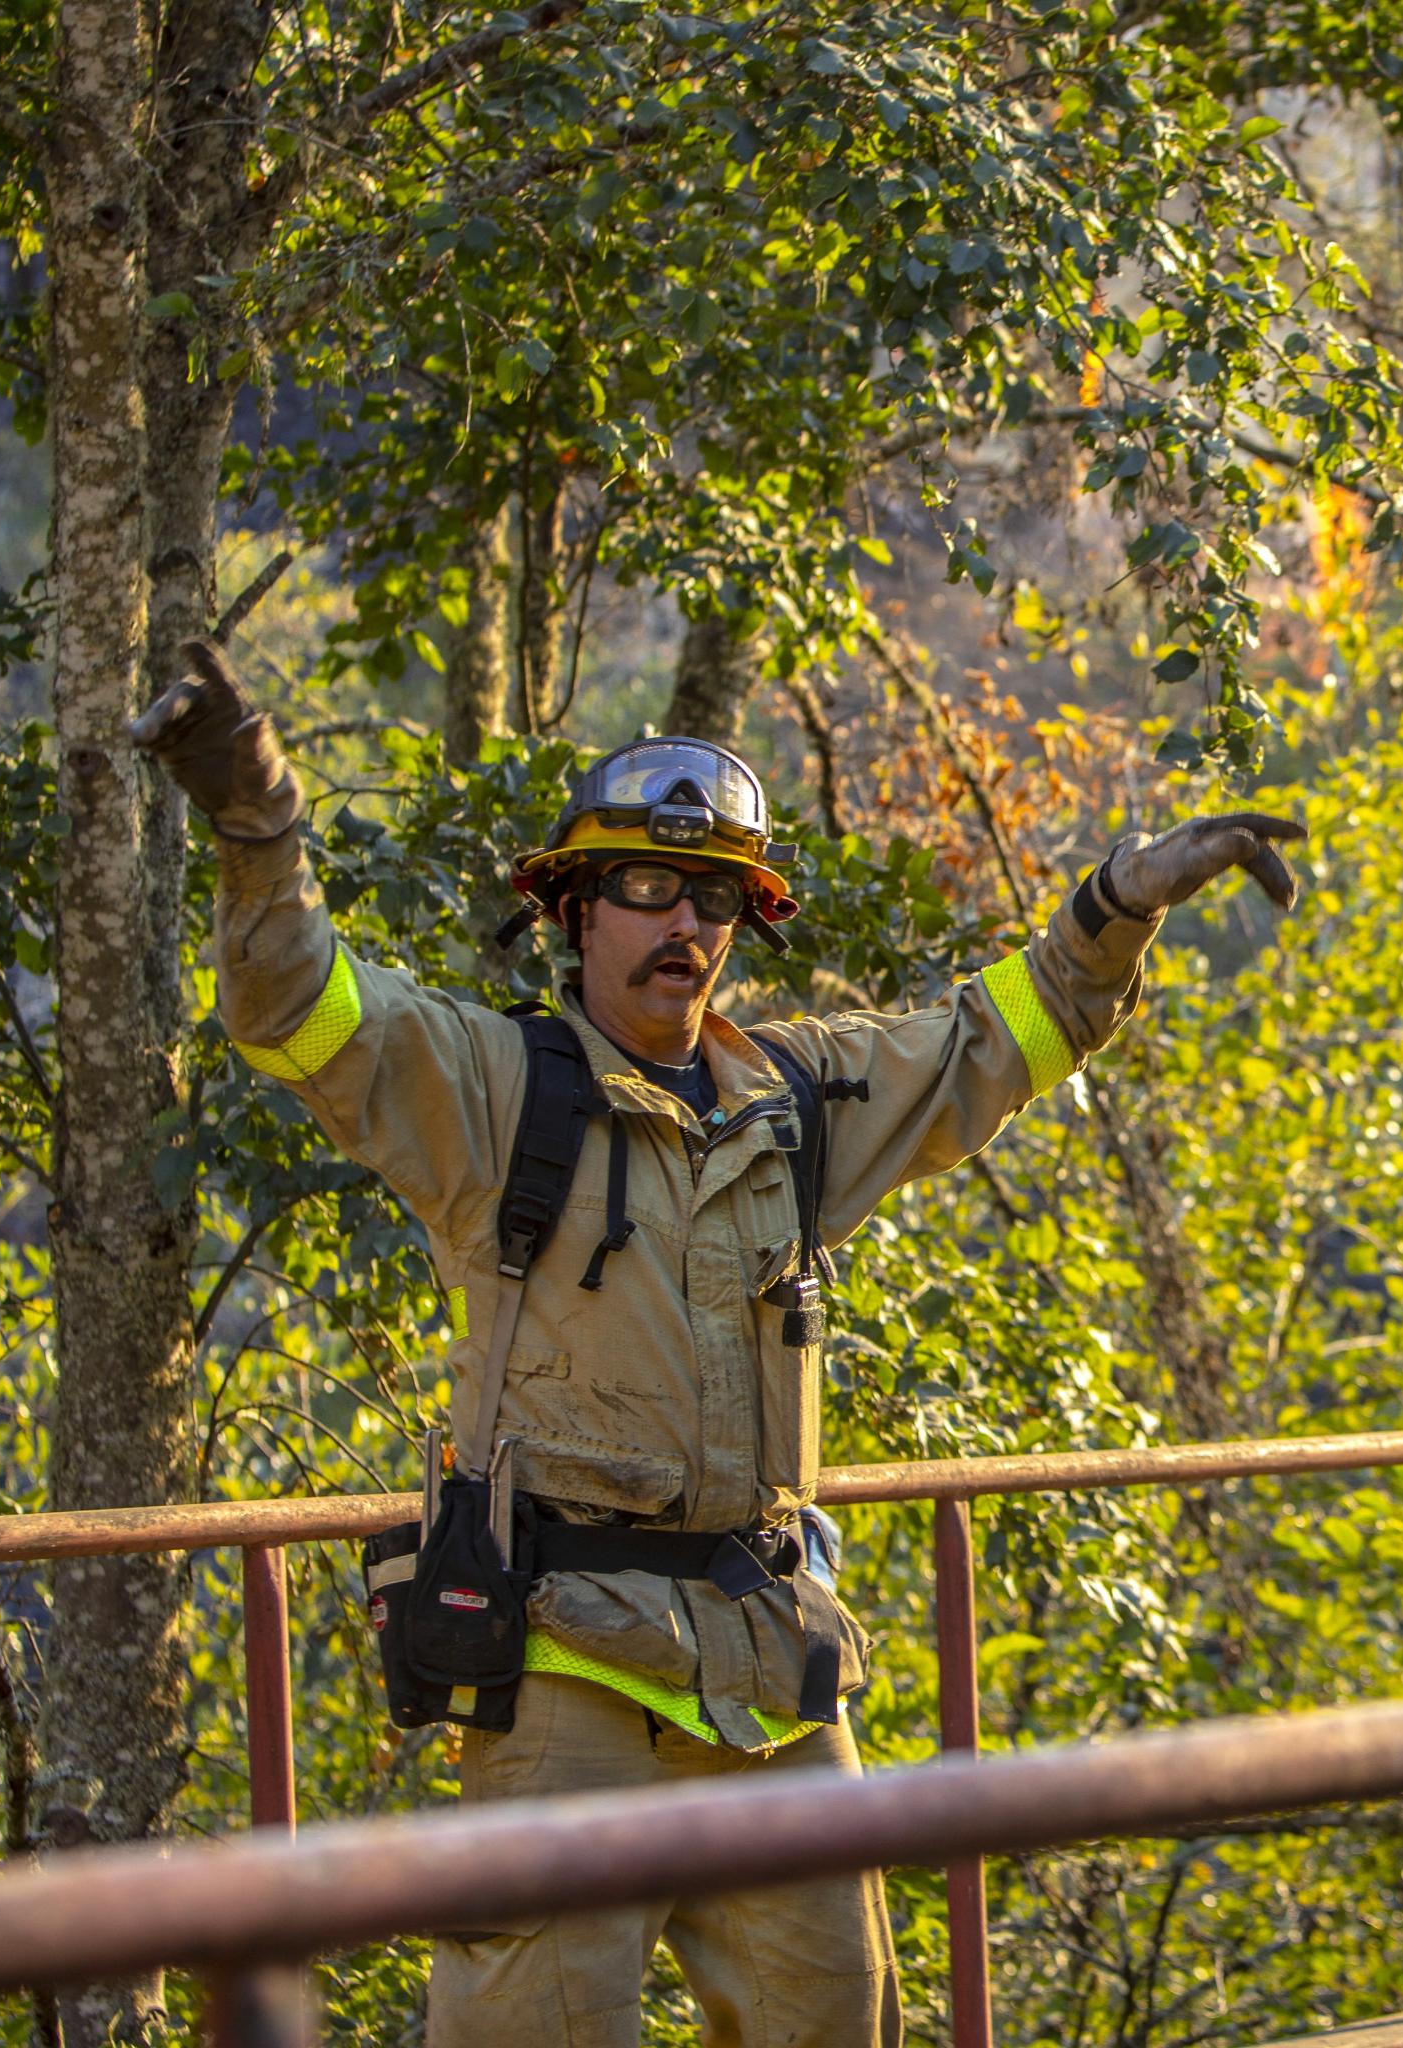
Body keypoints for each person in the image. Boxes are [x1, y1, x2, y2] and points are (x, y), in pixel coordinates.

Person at [131, 638, 1302, 2047]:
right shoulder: (491, 1087)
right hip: (561, 1663)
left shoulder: (797, 1100)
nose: (679, 923)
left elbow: (988, 1043)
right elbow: (295, 1007)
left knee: (837, 2022)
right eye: (642, 888)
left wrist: (1116, 909)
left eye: (712, 897)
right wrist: (256, 823)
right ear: (574, 912)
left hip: (767, 1668)